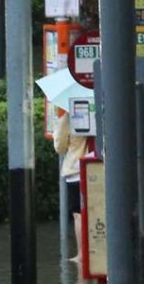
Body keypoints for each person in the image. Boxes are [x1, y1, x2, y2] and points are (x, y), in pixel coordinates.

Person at [54, 111, 91, 263]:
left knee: (79, 214)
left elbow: (60, 146)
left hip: (75, 170)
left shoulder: (69, 115)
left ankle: (82, 254)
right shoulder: (104, 107)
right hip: (99, 165)